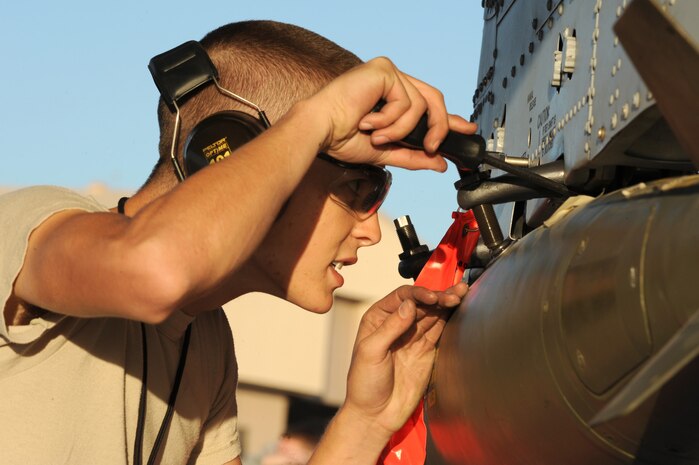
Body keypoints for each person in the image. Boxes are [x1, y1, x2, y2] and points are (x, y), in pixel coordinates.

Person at [0, 20, 474, 465]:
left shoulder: (207, 345)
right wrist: (317, 119)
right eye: (358, 190)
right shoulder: (34, 221)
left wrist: (367, 419)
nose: (372, 231)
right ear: (233, 153)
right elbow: (157, 271)